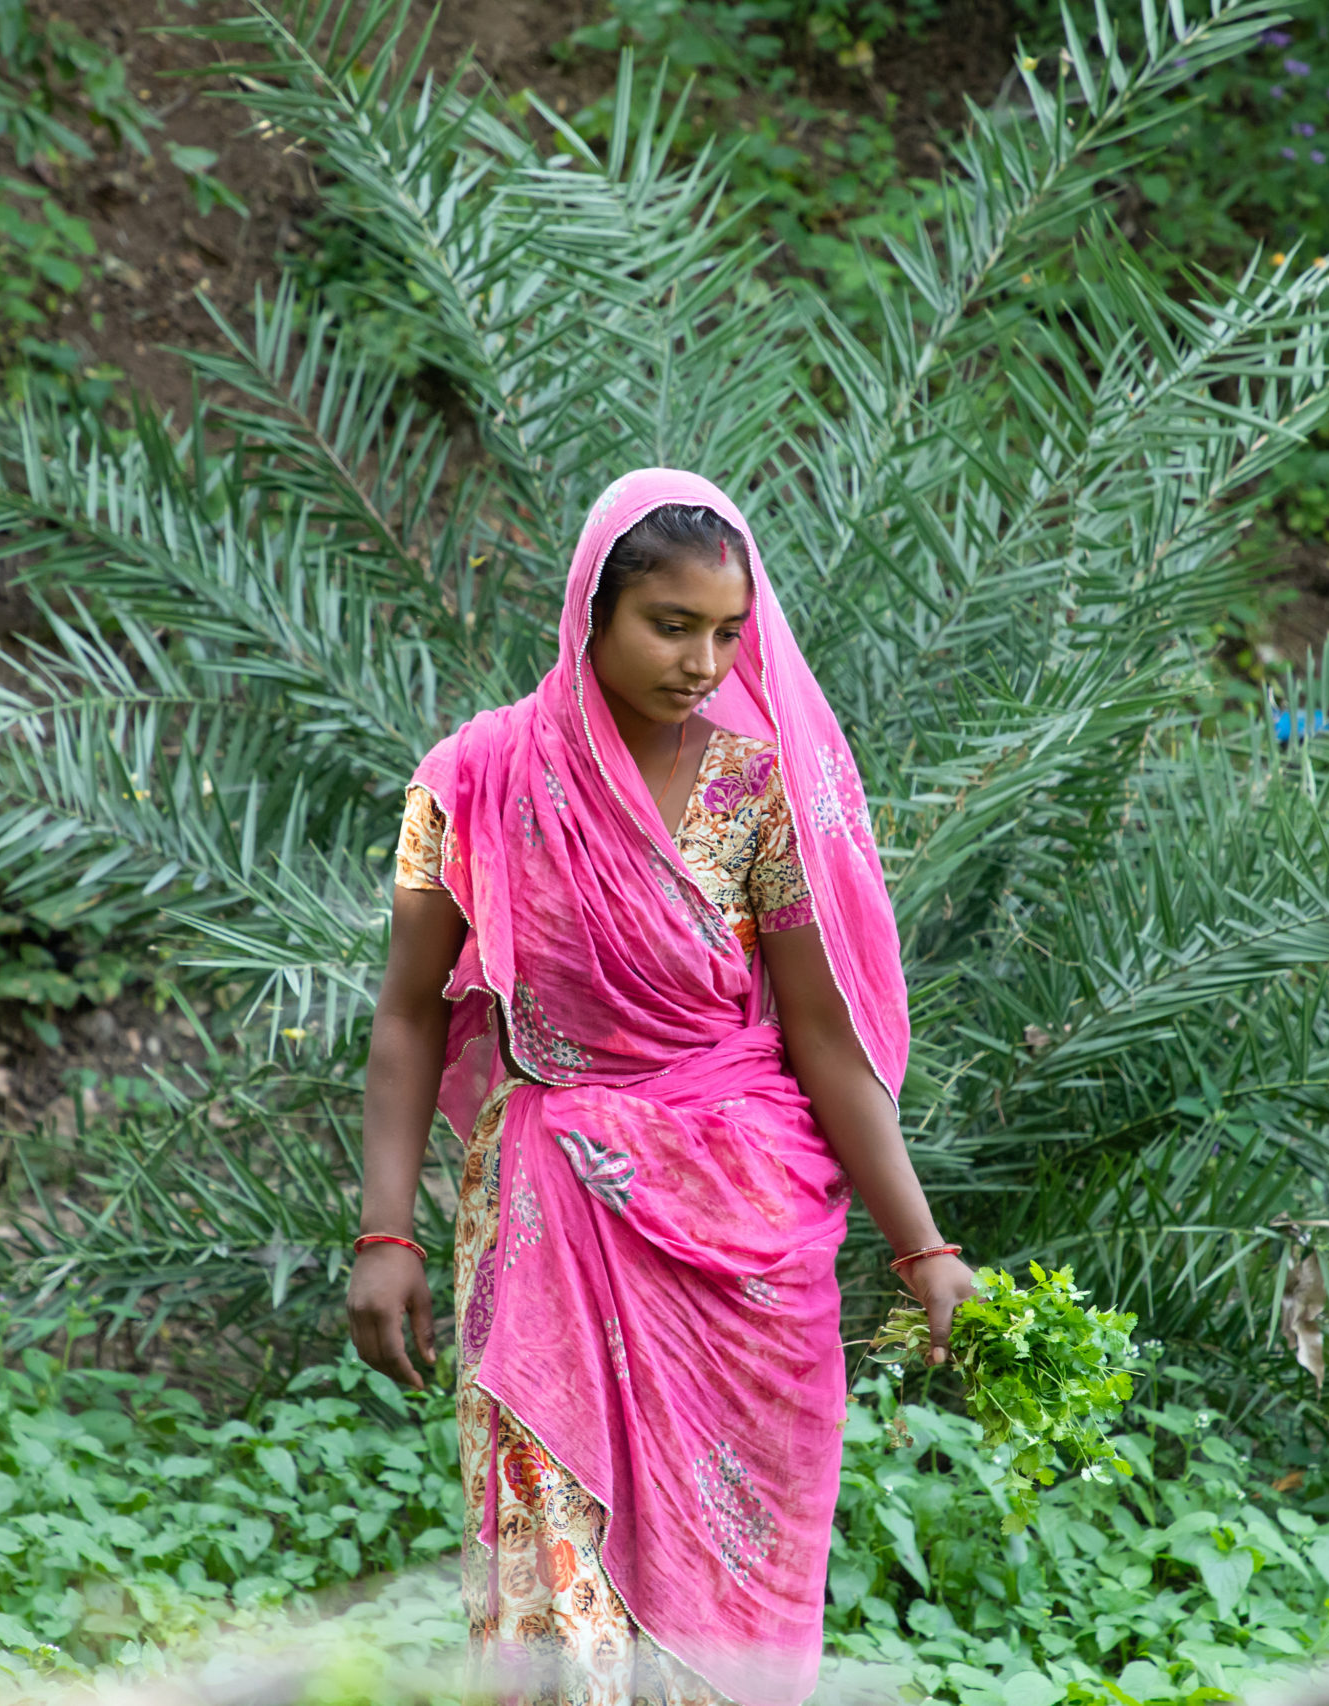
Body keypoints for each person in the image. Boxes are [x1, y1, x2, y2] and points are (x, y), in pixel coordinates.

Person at [350, 468, 977, 1706]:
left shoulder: (760, 793)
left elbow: (824, 1042)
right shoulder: (470, 778)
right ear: (591, 607)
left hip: (747, 1240)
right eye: (669, 624)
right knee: (550, 1594)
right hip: (552, 1227)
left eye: (728, 630)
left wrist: (923, 1247)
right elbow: (408, 1009)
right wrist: (385, 1228)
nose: (701, 659)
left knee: (730, 1624)